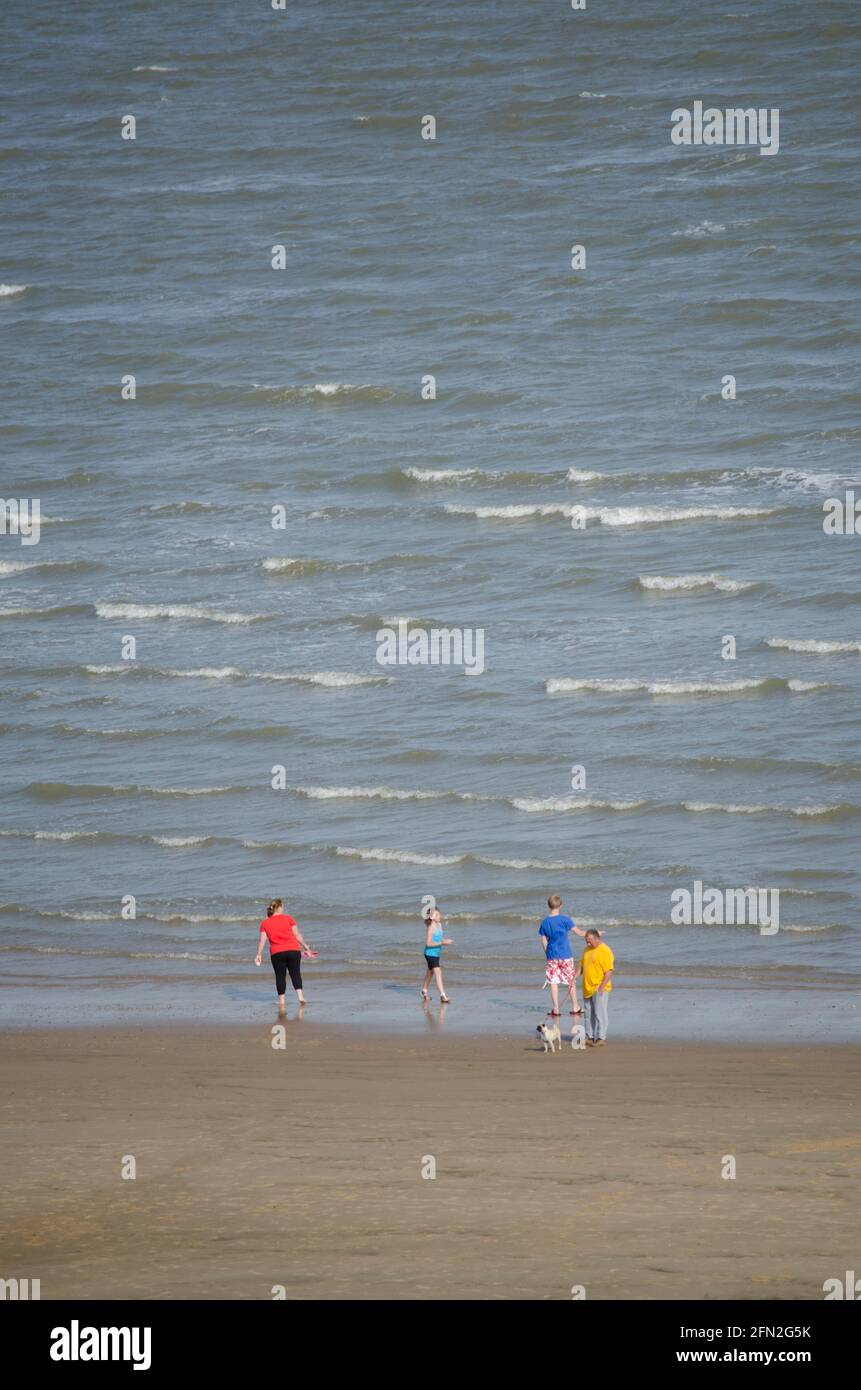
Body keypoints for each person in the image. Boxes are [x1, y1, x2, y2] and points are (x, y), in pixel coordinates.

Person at [255, 898, 313, 1014]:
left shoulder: (265, 923)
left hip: (277, 953)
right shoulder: (288, 918)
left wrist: (259, 954)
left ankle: (281, 1000)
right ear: (279, 907)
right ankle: (301, 997)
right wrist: (306, 947)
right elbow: (297, 935)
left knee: (280, 976)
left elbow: (262, 940)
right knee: (295, 973)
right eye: (283, 906)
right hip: (293, 950)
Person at [538, 894, 586, 1018]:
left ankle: (556, 1009)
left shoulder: (544, 922)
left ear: (549, 906)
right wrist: (594, 933)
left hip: (552, 955)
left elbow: (543, 941)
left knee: (553, 982)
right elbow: (580, 933)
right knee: (570, 981)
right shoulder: (565, 919)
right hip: (565, 954)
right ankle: (575, 1006)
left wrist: (547, 953)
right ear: (560, 906)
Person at [574, 928, 615, 1046]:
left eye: (589, 941)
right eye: (586, 941)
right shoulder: (587, 949)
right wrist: (575, 976)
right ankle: (589, 1036)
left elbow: (609, 971)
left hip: (599, 988)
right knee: (588, 1014)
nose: (587, 943)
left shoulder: (605, 950)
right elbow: (582, 965)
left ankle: (601, 1037)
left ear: (597, 938)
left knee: (599, 1014)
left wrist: (601, 987)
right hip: (587, 987)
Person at [421, 907, 453, 1003]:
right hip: (430, 954)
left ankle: (424, 990)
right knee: (438, 972)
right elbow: (428, 943)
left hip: (436, 953)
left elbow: (439, 939)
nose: (439, 916)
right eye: (437, 915)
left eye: (439, 914)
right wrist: (443, 943)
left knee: (430, 972)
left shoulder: (439, 925)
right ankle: (443, 996)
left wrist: (445, 941)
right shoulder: (431, 927)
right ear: (431, 917)